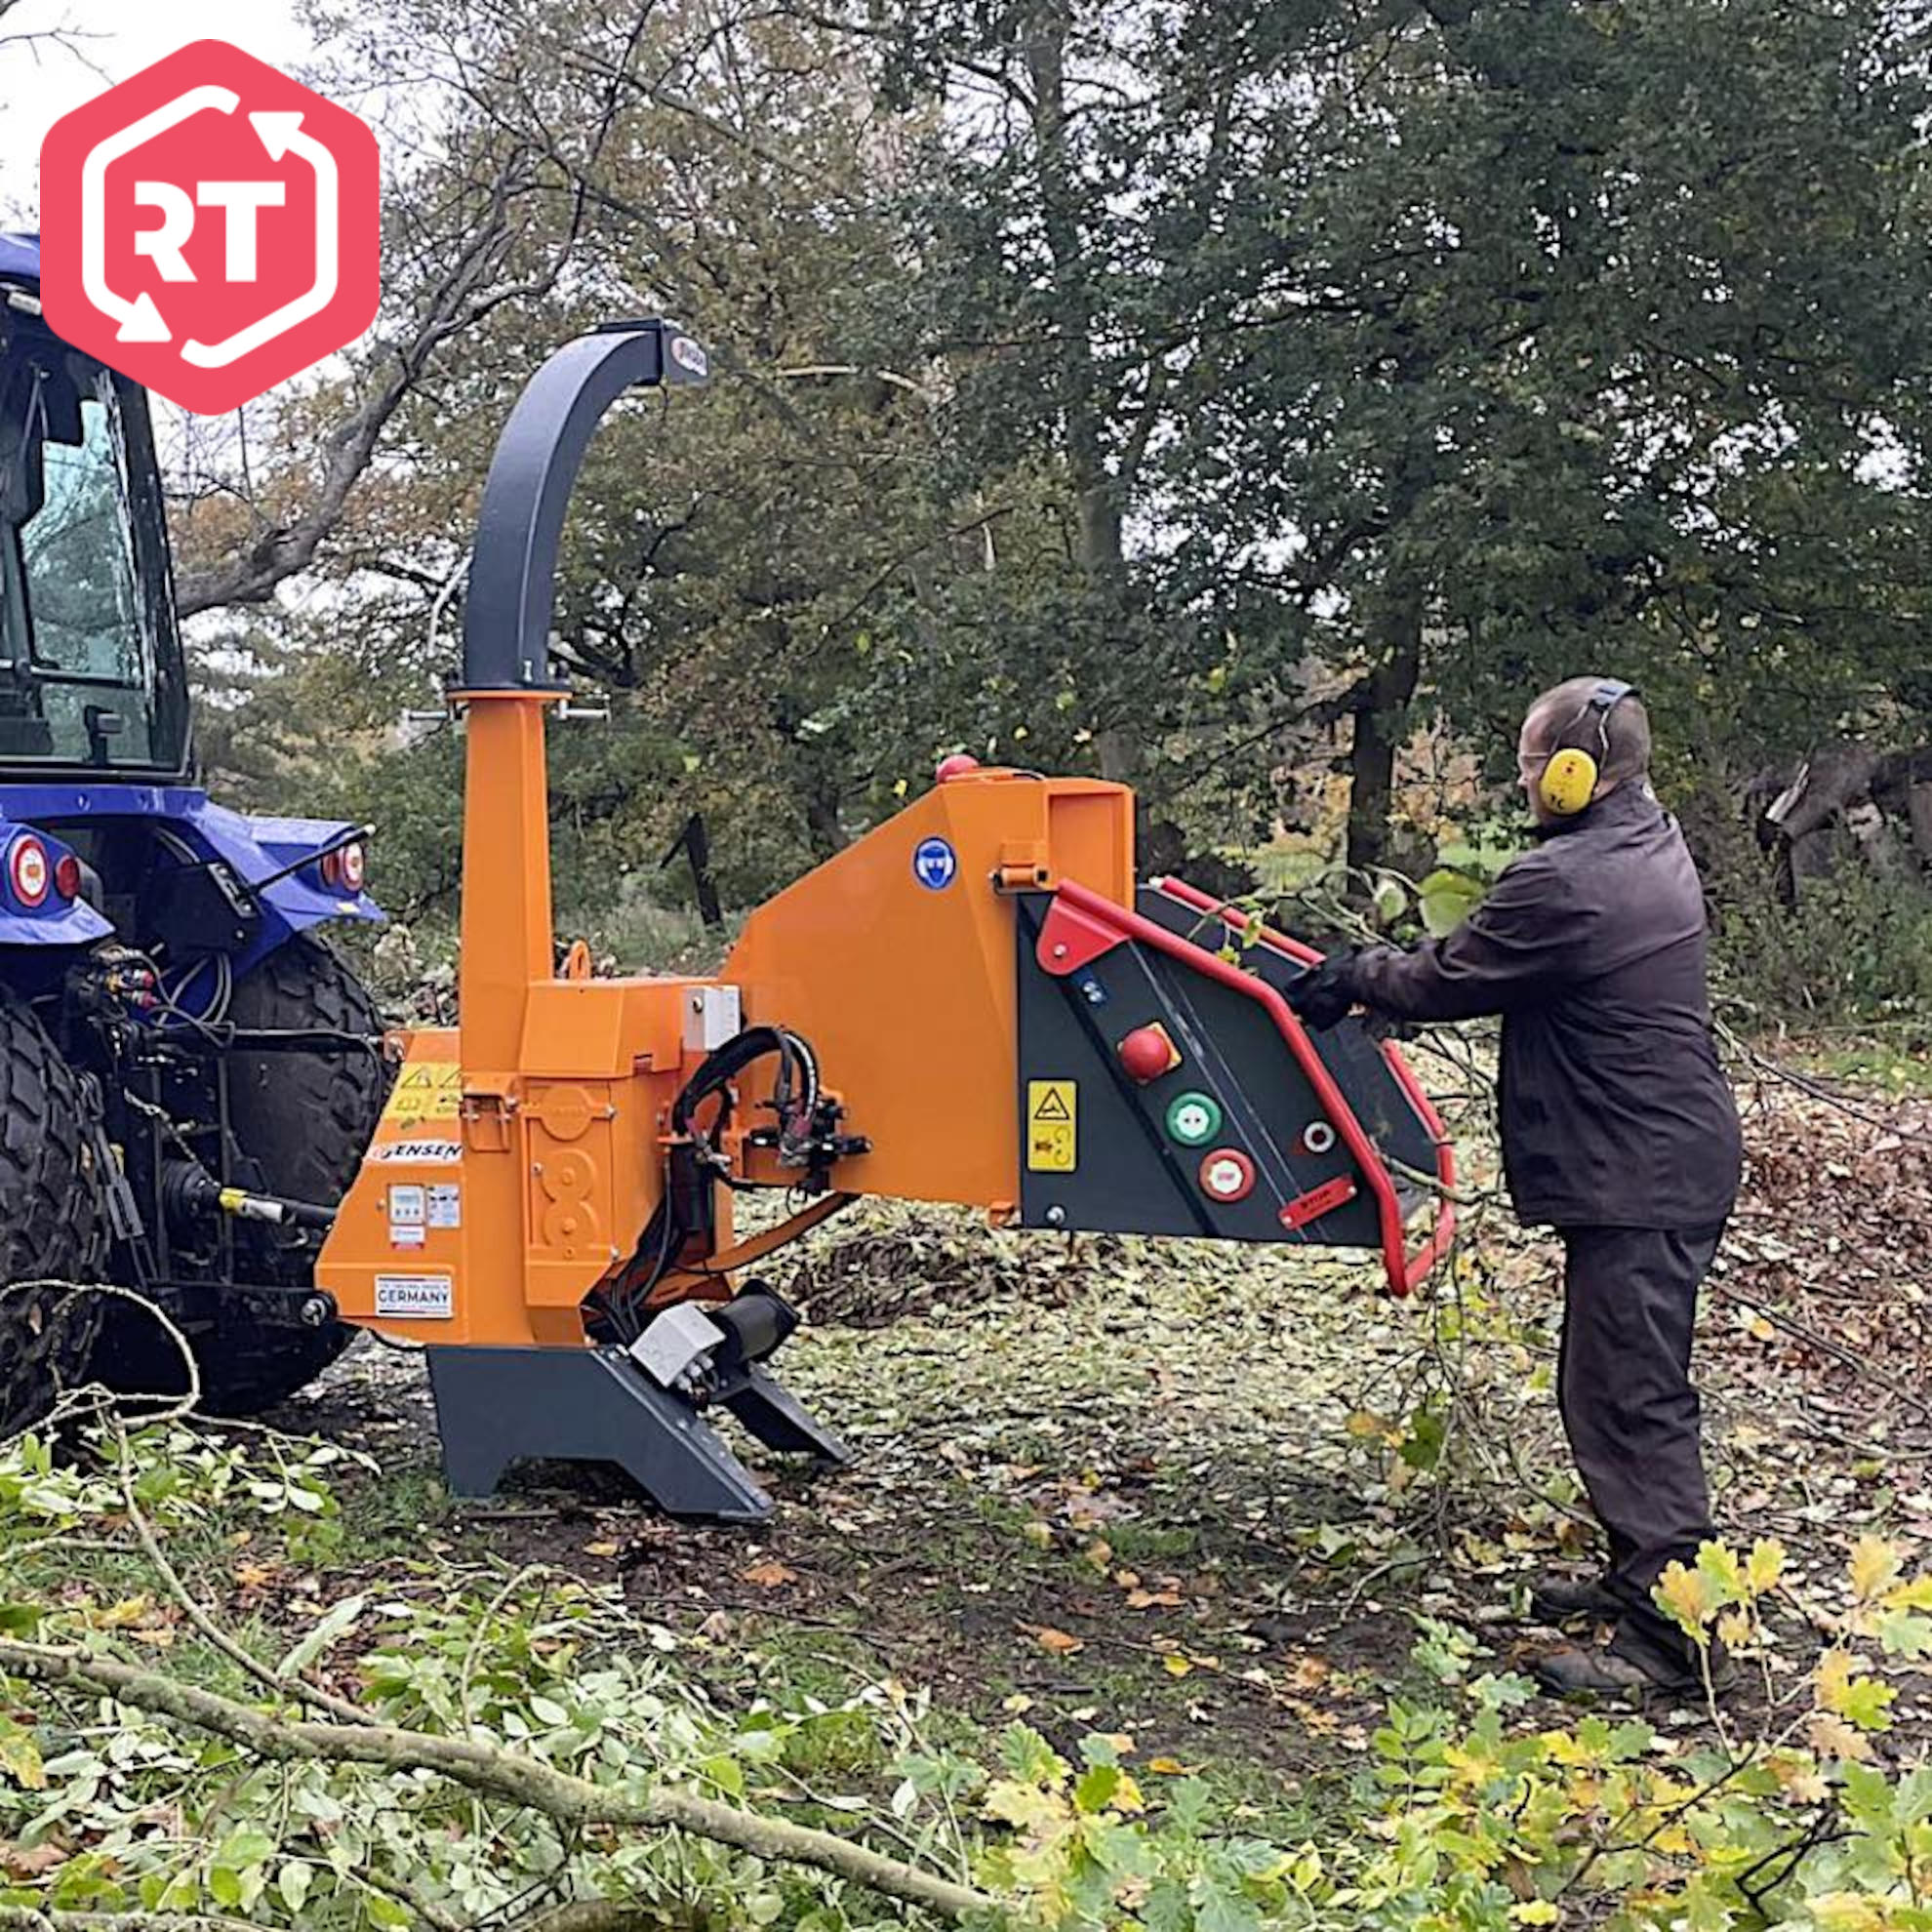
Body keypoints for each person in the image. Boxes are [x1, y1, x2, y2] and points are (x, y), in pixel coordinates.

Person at [1287, 676, 1742, 1698]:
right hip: (1655, 1161)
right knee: (1609, 1382)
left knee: (1632, 1400)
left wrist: (1350, 975)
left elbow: (1449, 975)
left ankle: (1675, 1646)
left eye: (1535, 763)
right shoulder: (1646, 839)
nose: (1525, 779)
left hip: (1643, 1173)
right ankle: (1644, 1584)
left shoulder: (1571, 880)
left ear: (1578, 773)